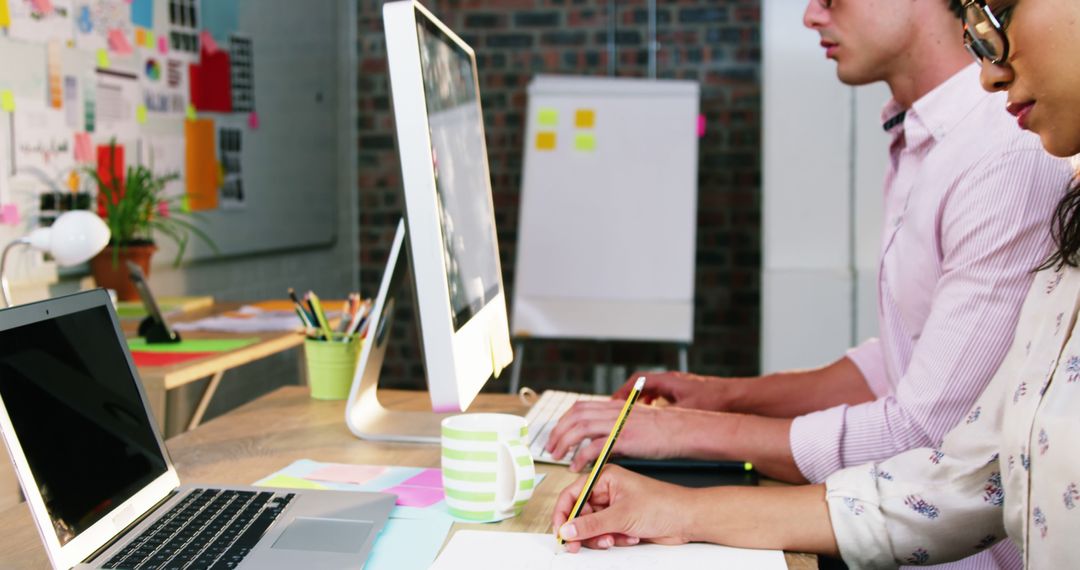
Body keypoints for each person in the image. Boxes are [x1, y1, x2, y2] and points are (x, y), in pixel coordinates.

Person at [552, 0, 1080, 567]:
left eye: (999, 14)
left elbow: (924, 432)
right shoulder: (1046, 234)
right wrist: (690, 481)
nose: (989, 72)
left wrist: (690, 433)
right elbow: (958, 471)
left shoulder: (1008, 153)